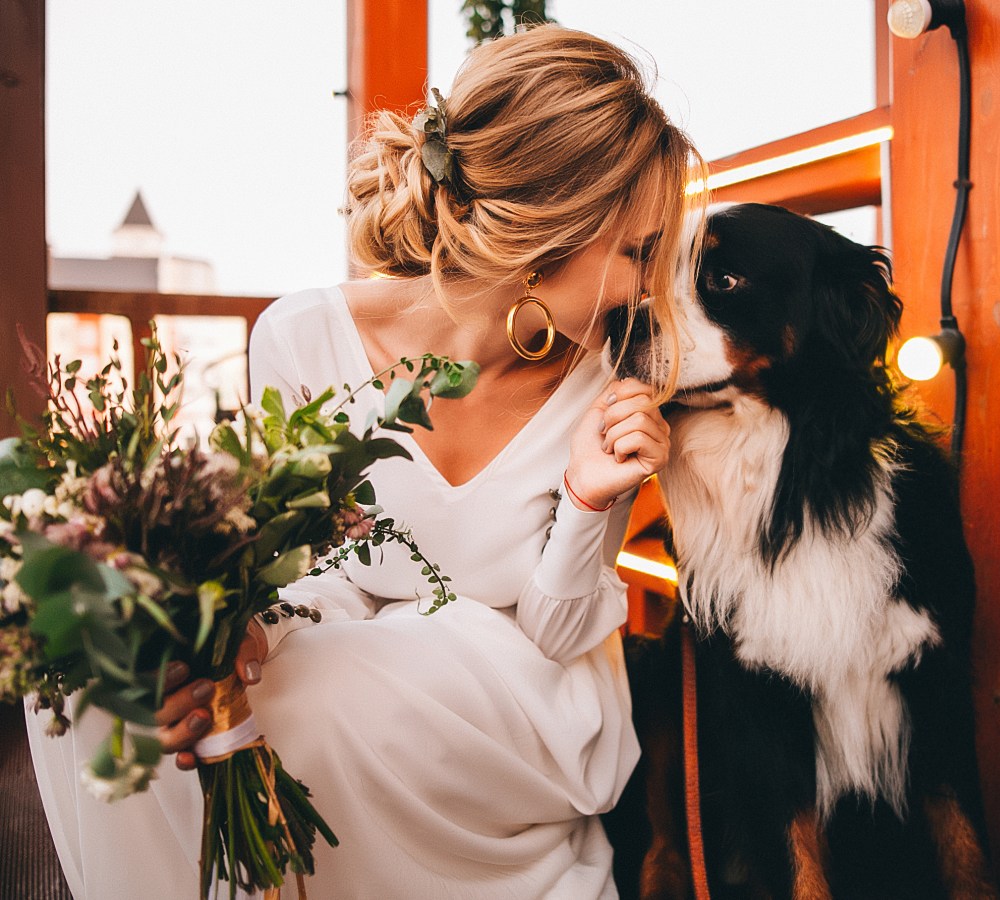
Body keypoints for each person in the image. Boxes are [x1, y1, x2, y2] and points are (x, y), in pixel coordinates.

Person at [26, 25, 703, 898]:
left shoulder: (612, 372)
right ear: (543, 233)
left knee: (320, 699)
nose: (646, 287)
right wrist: (246, 636)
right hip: (344, 644)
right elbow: (316, 575)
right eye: (636, 252)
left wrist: (584, 499)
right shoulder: (303, 336)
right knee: (108, 684)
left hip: (523, 691)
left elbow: (560, 633)